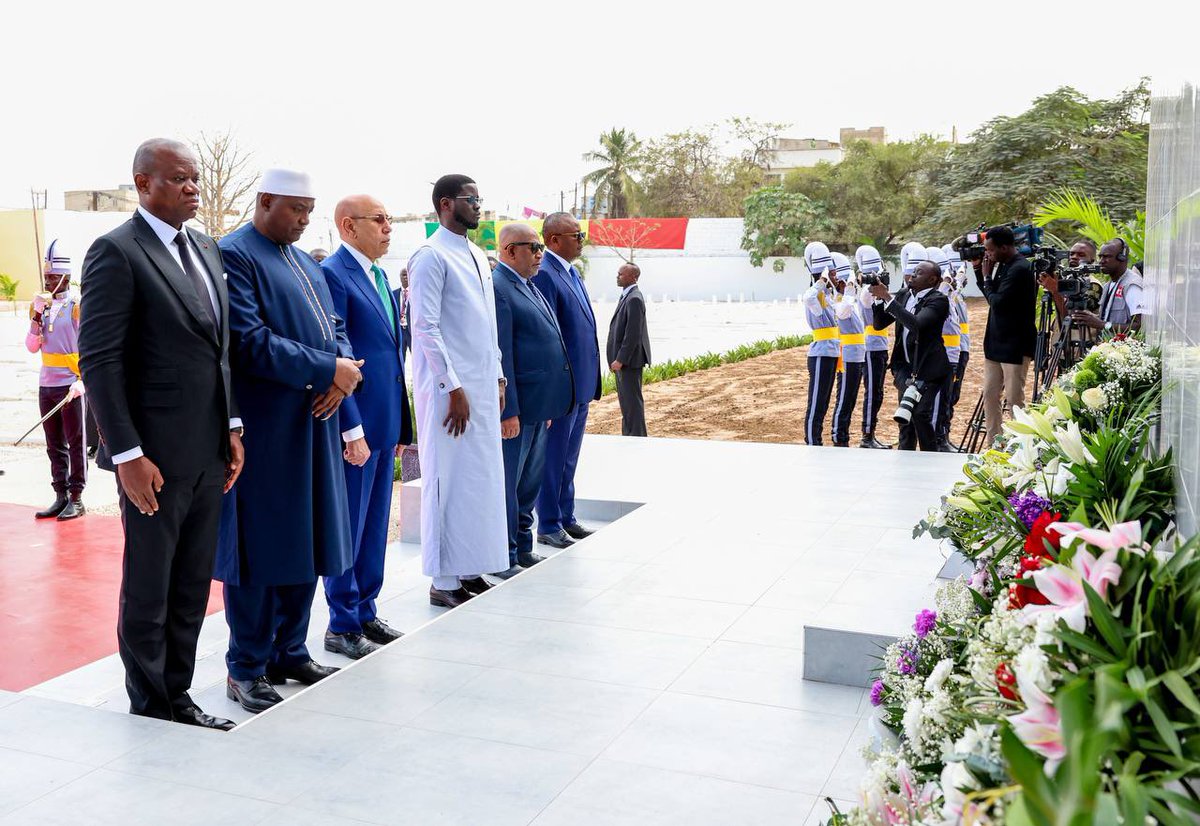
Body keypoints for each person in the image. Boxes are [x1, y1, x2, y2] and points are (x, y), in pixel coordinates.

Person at [79, 138, 241, 731]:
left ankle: (179, 693)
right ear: (143, 184)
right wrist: (127, 453)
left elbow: (220, 351)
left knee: (193, 581)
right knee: (151, 584)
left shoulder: (206, 248)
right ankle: (150, 703)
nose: (192, 188)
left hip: (209, 448)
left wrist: (232, 425)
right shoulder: (117, 252)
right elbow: (99, 361)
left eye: (194, 178)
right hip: (152, 456)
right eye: (178, 178)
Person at [217, 169, 357, 713]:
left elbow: (335, 328)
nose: (303, 220)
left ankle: (290, 651)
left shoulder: (305, 262)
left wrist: (342, 372)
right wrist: (328, 370)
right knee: (261, 548)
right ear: (265, 201)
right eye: (296, 209)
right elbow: (248, 342)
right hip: (267, 429)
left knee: (309, 539)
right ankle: (246, 666)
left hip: (314, 422)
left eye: (309, 211)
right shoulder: (236, 255)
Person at [407, 174, 508, 607]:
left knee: (478, 481)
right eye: (471, 199)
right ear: (446, 204)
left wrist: (498, 376)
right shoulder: (430, 256)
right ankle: (443, 581)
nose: (478, 205)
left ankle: (470, 568)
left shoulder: (477, 254)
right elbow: (425, 328)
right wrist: (453, 387)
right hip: (450, 393)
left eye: (479, 198)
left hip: (481, 387)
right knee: (446, 481)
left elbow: (488, 326)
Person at [319, 195, 413, 659]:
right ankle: (341, 622)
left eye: (389, 219)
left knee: (375, 527)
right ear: (348, 226)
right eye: (379, 220)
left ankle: (366, 610)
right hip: (355, 427)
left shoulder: (379, 278)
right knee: (350, 528)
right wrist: (350, 428)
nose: (388, 227)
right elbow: (338, 353)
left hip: (384, 422)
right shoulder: (334, 275)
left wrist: (398, 426)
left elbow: (390, 356)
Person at [492, 223, 574, 579]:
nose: (541, 254)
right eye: (534, 248)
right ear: (510, 250)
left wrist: (549, 405)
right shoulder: (499, 288)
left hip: (539, 406)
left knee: (529, 483)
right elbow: (502, 354)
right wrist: (508, 410)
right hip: (519, 410)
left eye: (541, 247)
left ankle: (524, 547)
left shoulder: (528, 284)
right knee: (510, 486)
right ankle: (505, 554)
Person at [533, 212, 601, 549]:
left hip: (581, 385)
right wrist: (552, 392)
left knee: (569, 458)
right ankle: (548, 523)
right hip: (563, 389)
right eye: (576, 235)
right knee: (554, 458)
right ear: (554, 240)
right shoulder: (546, 274)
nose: (581, 240)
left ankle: (565, 516)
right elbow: (548, 337)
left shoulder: (571, 272)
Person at [27, 240, 87, 519]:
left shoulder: (76, 306)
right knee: (54, 444)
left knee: (76, 442)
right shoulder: (41, 306)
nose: (48, 281)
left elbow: (88, 345)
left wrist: (82, 379)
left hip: (70, 384)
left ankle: (77, 497)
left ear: (66, 276)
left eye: (53, 276)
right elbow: (32, 346)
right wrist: (36, 317)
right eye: (46, 276)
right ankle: (60, 494)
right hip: (47, 384)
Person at [869, 261, 951, 451]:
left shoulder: (938, 300)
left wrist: (887, 297)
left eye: (919, 273)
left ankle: (930, 456)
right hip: (905, 368)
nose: (912, 275)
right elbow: (879, 324)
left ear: (932, 280)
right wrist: (879, 299)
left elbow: (917, 325)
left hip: (930, 369)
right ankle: (905, 458)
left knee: (920, 414)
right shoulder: (904, 294)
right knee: (905, 419)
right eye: (913, 272)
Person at [973, 225, 1036, 446]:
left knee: (1014, 400)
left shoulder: (1020, 268)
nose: (987, 254)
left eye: (990, 250)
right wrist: (979, 271)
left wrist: (987, 277)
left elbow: (998, 302)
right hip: (995, 344)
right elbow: (990, 296)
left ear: (1004, 247)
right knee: (990, 396)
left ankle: (1022, 447)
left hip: (1015, 345)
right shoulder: (1003, 265)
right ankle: (995, 445)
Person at [801, 241, 839, 446]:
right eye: (831, 273)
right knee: (816, 402)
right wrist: (821, 281)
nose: (834, 275)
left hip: (832, 352)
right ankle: (812, 441)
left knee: (823, 401)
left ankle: (817, 439)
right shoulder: (815, 295)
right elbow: (808, 297)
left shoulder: (828, 295)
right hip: (820, 353)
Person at [607, 262, 652, 437]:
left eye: (621, 274)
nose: (617, 276)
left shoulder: (634, 299)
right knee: (627, 403)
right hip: (625, 362)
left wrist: (620, 359)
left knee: (632, 403)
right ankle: (629, 436)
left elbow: (633, 334)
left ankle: (637, 437)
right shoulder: (628, 296)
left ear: (633, 277)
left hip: (629, 362)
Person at [926, 246, 961, 453]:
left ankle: (942, 435)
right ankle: (936, 438)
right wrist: (946, 285)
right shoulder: (937, 296)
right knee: (938, 399)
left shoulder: (948, 295)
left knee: (947, 398)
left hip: (953, 352)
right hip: (944, 353)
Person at [855, 245, 891, 449]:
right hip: (870, 347)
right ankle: (867, 436)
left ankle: (871, 434)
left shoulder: (878, 291)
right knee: (872, 393)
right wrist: (872, 281)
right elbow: (869, 296)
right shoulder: (866, 292)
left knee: (877, 392)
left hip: (880, 345)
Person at [1070, 238, 1145, 335]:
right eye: (1100, 257)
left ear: (1121, 258)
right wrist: (1092, 318)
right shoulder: (1108, 285)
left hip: (1124, 344)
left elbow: (1138, 326)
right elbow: (1109, 319)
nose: (1101, 261)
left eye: (1107, 257)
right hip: (1108, 343)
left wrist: (1102, 324)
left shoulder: (1132, 285)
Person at [829, 252, 865, 447]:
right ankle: (839, 436)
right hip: (848, 356)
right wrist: (849, 291)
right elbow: (843, 312)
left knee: (850, 399)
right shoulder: (838, 300)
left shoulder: (849, 300)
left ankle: (843, 434)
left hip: (857, 355)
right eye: (843, 282)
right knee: (844, 398)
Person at [940, 244, 972, 448]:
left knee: (954, 395)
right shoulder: (947, 293)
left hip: (961, 348)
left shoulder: (957, 294)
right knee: (947, 395)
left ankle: (945, 434)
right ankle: (941, 436)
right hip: (950, 351)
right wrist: (954, 284)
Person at [392, 266, 412, 356]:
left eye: (407, 275)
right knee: (400, 357)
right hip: (399, 331)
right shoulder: (393, 293)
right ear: (400, 277)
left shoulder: (415, 293)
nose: (405, 277)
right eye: (403, 275)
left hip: (411, 331)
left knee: (416, 358)